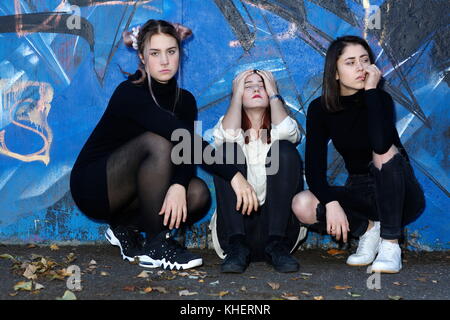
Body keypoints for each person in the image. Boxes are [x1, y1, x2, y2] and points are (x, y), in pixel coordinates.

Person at [70, 19, 258, 271]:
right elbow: (182, 138)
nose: (164, 61)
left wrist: (179, 184)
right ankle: (156, 244)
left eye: (171, 51)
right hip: (95, 185)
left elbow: (184, 153)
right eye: (155, 53)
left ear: (180, 53)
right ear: (142, 57)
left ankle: (126, 228)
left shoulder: (185, 101)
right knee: (158, 142)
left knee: (197, 193)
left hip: (135, 189)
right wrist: (234, 175)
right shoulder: (130, 93)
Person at [291, 35, 425, 273]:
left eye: (364, 60)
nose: (361, 68)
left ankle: (391, 244)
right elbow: (313, 169)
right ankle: (368, 230)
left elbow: (381, 144)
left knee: (382, 154)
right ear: (335, 72)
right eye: (350, 62)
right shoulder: (320, 109)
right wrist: (331, 202)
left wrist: (371, 91)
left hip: (401, 192)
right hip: (361, 192)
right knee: (302, 204)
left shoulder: (379, 98)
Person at [210, 69, 306, 273]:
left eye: (261, 84)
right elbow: (226, 137)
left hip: (278, 231)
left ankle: (276, 243)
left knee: (284, 149)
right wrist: (236, 95)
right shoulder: (228, 124)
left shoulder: (280, 127)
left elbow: (290, 133)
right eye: (248, 85)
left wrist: (273, 92)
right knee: (226, 151)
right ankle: (237, 245)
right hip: (238, 229)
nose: (255, 88)